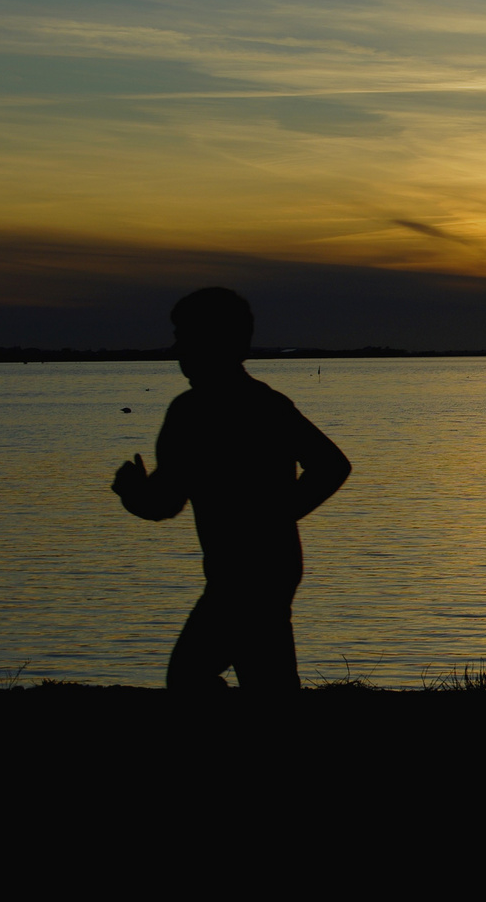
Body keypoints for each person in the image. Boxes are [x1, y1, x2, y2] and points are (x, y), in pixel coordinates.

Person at [111, 287, 350, 690]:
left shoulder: (193, 413)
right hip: (269, 566)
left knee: (191, 674)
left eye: (185, 336)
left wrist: (133, 492)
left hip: (247, 574)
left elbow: (164, 503)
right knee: (264, 676)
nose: (178, 348)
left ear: (217, 342)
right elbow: (330, 466)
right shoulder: (264, 404)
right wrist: (278, 517)